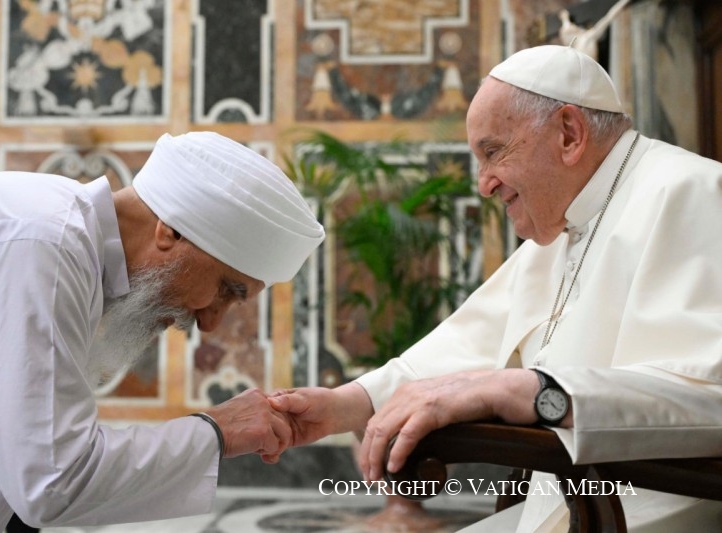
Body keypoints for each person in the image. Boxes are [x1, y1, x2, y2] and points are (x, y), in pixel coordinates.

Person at [269, 44, 722, 531]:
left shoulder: (693, 192)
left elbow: (710, 394)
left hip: (667, 505)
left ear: (569, 134)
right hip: (580, 501)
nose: (483, 185)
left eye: (493, 152)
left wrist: (534, 392)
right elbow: (468, 345)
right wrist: (346, 405)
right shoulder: (565, 224)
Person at [0, 131, 325, 531]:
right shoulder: (44, 244)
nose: (209, 322)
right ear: (171, 230)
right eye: (225, 290)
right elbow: (54, 482)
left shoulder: (64, 236)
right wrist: (219, 431)